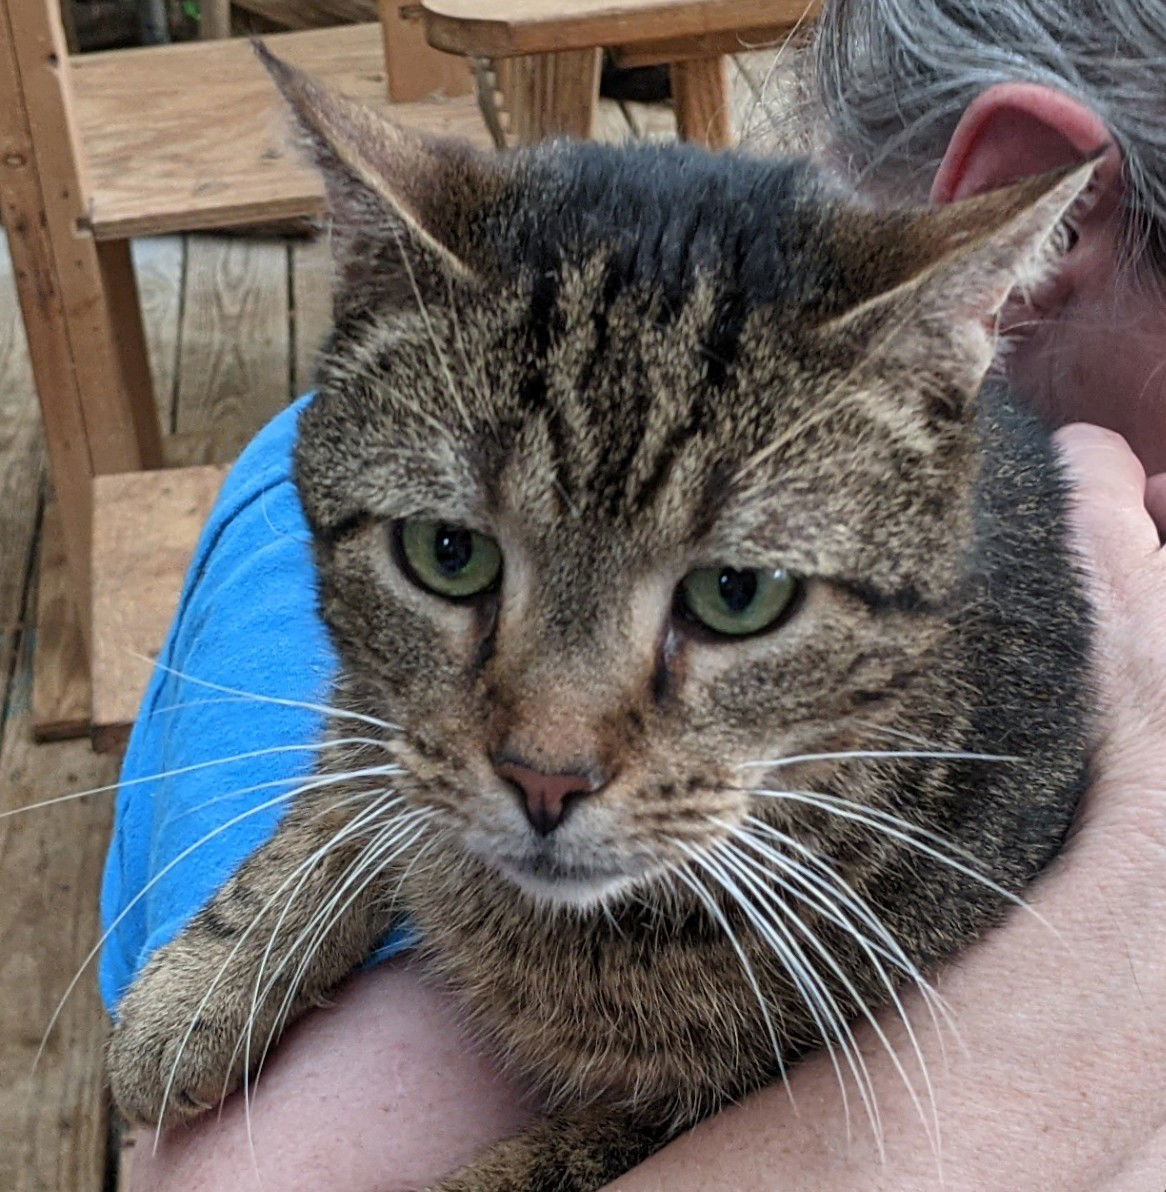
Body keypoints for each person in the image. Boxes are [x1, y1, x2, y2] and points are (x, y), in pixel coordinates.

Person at [121, 3, 1166, 1187]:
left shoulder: (950, 730)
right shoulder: (354, 473)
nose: (550, 754)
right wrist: (287, 891)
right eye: (454, 558)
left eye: (729, 592)